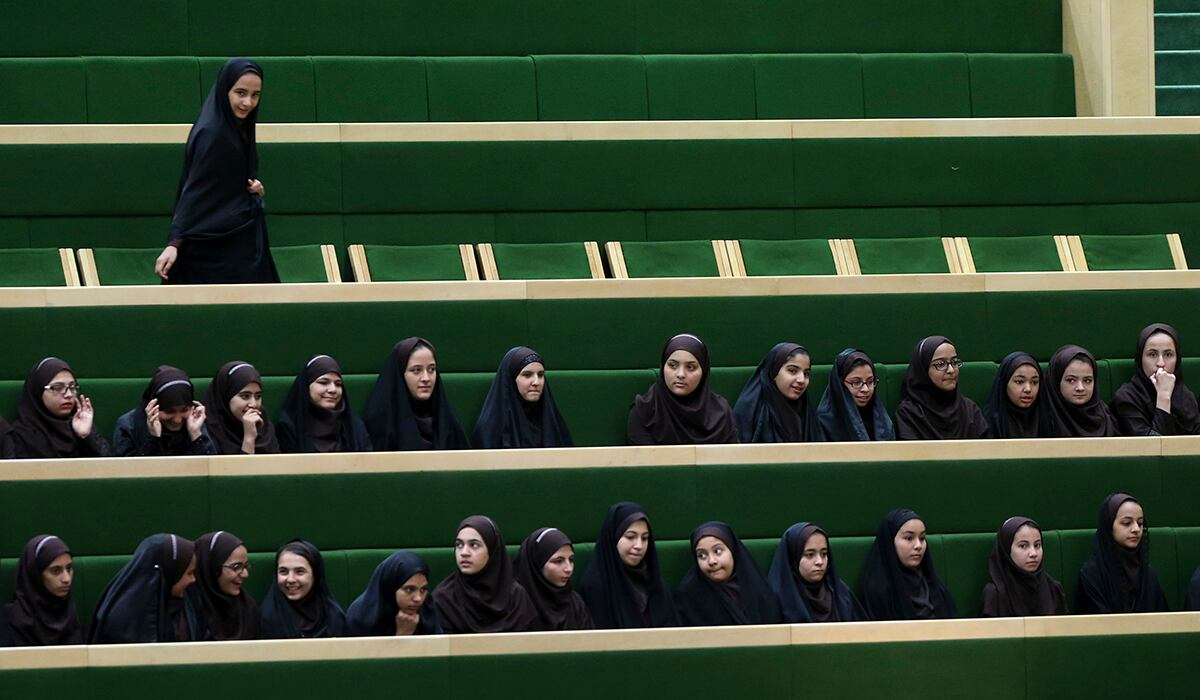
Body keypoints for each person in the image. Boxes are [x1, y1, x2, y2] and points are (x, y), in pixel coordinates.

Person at [155, 57, 278, 284]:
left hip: (237, 243)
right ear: (224, 90)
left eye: (255, 95)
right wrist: (174, 243)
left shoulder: (234, 127)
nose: (248, 103)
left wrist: (249, 187)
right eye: (240, 93)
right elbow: (195, 190)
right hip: (216, 252)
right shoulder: (213, 134)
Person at [579, 502, 677, 628]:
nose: (639, 546)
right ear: (614, 538)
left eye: (645, 538)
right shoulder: (595, 586)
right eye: (630, 537)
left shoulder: (654, 583)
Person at [89, 534, 202, 643]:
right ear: (171, 573)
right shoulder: (123, 620)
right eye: (189, 573)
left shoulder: (188, 604)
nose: (193, 579)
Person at [627, 334, 738, 445]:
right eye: (673, 365)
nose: (681, 374)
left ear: (703, 371)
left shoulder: (721, 413)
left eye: (690, 367)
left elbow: (733, 458)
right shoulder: (644, 411)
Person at [433, 515, 537, 634]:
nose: (464, 553)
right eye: (459, 545)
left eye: (474, 545)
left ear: (492, 550)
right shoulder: (444, 598)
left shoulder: (515, 596)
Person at [363, 337, 470, 451]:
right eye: (416, 370)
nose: (426, 378)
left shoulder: (446, 419)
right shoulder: (383, 422)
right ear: (400, 374)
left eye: (431, 369)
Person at [674, 521, 782, 626]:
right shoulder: (689, 595)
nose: (712, 561)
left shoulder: (757, 586)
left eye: (718, 551)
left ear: (732, 550)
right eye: (702, 555)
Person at [857, 508, 957, 620]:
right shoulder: (877, 592)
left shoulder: (936, 588)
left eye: (922, 538)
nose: (918, 545)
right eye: (909, 538)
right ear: (890, 543)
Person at [1076, 493, 1168, 613]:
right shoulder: (1091, 574)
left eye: (1140, 523)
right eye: (1126, 523)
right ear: (1109, 526)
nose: (1136, 529)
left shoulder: (1148, 575)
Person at [2, 357, 110, 459]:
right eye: (58, 388)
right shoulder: (23, 434)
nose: (68, 394)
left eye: (72, 387)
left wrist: (86, 436)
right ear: (38, 391)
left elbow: (111, 469)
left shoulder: (80, 423)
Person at [472, 347, 573, 448]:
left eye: (540, 375)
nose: (536, 382)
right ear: (511, 379)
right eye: (527, 375)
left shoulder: (554, 422)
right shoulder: (491, 428)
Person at [1111, 323, 1200, 436]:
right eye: (1152, 355)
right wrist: (1163, 398)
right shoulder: (1126, 399)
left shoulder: (1186, 397)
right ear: (1140, 359)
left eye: (1168, 354)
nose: (1161, 363)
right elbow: (1151, 448)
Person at [767, 522, 864, 623]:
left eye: (824, 554)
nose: (819, 562)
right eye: (809, 555)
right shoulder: (777, 599)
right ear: (793, 558)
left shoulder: (840, 594)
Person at [895, 336, 988, 440]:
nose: (951, 370)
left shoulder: (969, 410)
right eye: (940, 364)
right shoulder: (910, 413)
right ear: (923, 370)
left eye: (954, 362)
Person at [276, 355, 372, 453]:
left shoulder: (353, 424)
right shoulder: (290, 425)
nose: (333, 390)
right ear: (306, 386)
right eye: (323, 382)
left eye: (338, 384)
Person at [113, 366, 215, 456]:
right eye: (169, 411)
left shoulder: (195, 422)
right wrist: (153, 439)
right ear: (153, 406)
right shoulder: (128, 426)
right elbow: (130, 473)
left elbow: (210, 470)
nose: (177, 420)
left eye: (184, 410)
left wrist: (196, 436)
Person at [1, 535, 83, 646]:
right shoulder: (8, 622)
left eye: (69, 568)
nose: (66, 579)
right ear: (35, 574)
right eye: (56, 571)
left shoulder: (71, 616)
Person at [733, 343, 821, 443]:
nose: (801, 380)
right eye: (792, 371)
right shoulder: (750, 408)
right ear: (773, 371)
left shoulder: (806, 410)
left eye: (806, 374)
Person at [980, 517, 1066, 617]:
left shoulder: (1054, 590)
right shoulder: (994, 594)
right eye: (1023, 546)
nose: (1033, 553)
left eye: (1037, 545)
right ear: (1007, 550)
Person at [260, 540, 346, 639]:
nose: (291, 579)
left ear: (315, 575)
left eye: (300, 572)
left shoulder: (333, 617)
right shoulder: (266, 618)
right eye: (283, 571)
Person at [346, 551, 443, 636]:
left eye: (423, 590)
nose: (418, 598)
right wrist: (403, 634)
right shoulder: (360, 617)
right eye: (409, 589)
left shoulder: (426, 609)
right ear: (391, 587)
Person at [514, 527, 593, 631]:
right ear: (538, 563)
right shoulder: (515, 602)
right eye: (558, 561)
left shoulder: (574, 602)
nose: (568, 569)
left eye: (571, 560)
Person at [188, 530, 260, 640]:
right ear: (211, 567)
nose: (245, 574)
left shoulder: (248, 608)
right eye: (236, 567)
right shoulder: (188, 609)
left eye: (246, 566)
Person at [816, 348, 895, 441]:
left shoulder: (882, 417)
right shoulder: (824, 421)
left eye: (870, 382)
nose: (865, 389)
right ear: (840, 385)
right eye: (857, 382)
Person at [202, 361, 280, 454]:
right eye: (245, 396)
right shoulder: (206, 430)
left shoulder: (263, 424)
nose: (253, 404)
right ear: (226, 396)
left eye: (258, 396)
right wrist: (249, 439)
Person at [1044, 345, 1120, 438]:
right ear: (1056, 381)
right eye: (1071, 380)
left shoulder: (1106, 417)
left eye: (1087, 381)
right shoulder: (1042, 418)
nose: (1080, 388)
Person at [981, 353, 1057, 439]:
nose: (1028, 389)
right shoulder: (988, 423)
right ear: (1004, 384)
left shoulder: (1050, 419)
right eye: (1019, 382)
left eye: (1034, 382)